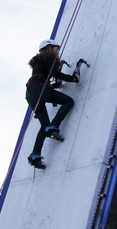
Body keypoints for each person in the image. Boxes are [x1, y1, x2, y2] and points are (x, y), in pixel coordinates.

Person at [25, 39, 80, 169]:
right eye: (56, 48)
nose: (58, 51)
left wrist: (53, 84)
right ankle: (54, 127)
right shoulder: (49, 57)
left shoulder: (39, 61)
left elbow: (43, 77)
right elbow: (54, 73)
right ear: (49, 48)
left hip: (30, 93)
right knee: (68, 101)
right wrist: (73, 78)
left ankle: (35, 155)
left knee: (44, 125)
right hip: (38, 88)